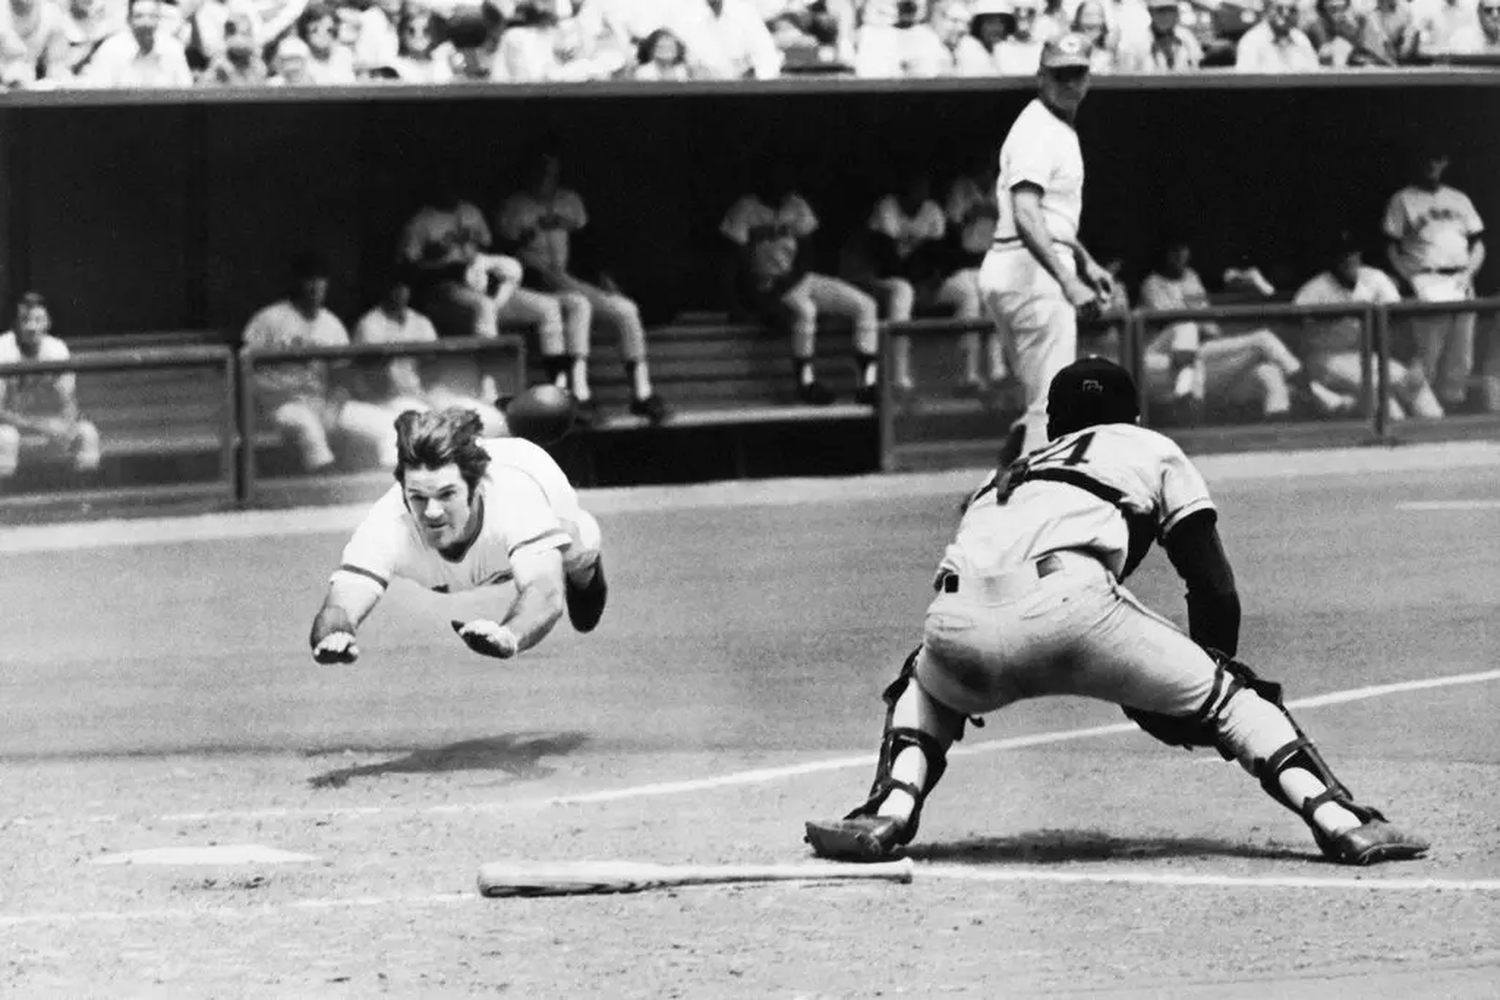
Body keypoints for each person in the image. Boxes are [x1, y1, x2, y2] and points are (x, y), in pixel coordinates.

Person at [803, 356, 1431, 868]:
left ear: (1055, 422)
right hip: (1072, 609)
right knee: (1237, 700)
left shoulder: (1012, 471)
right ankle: (1341, 820)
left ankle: (888, 809)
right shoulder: (1148, 447)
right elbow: (1213, 586)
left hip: (954, 622)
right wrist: (1203, 683)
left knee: (922, 681)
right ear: (1131, 414)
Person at [308, 406, 608, 667]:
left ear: (476, 488)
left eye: (447, 494)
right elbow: (341, 602)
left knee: (579, 551)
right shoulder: (387, 523)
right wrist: (336, 632)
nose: (432, 512)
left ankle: (587, 571)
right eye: (418, 497)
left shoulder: (517, 500)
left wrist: (510, 633)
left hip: (533, 475)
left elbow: (545, 593)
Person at [980, 31, 1116, 468]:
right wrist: (1069, 279)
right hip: (1031, 272)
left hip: (1020, 265)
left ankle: (996, 488)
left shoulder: (1051, 125)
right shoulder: (1040, 129)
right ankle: (1019, 505)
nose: (1069, 82)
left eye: (1076, 73)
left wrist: (1084, 259)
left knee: (1039, 397)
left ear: (1088, 77)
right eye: (1060, 74)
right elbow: (1025, 212)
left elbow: (1049, 214)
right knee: (1051, 403)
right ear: (1041, 76)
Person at [1293, 232, 1444, 422]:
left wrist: (1416, 363)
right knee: (1384, 398)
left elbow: (1400, 322)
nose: (1350, 261)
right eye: (1343, 258)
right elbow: (1295, 339)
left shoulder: (1374, 279)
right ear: (1332, 261)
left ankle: (1437, 439)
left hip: (1367, 357)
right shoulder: (1311, 292)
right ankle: (1391, 439)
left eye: (1353, 255)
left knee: (1415, 386)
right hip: (1325, 360)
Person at [1382, 142, 1486, 413]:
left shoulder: (1458, 198)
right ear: (1417, 161)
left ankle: (1452, 406)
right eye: (1426, 158)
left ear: (1445, 163)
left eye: (1437, 158)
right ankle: (1421, 409)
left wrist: (1469, 272)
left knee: (1462, 352)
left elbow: (1478, 242)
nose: (1431, 164)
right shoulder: (1402, 199)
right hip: (1427, 278)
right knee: (1428, 350)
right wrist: (1408, 278)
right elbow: (1390, 246)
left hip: (1461, 278)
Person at [0, 292, 101, 482]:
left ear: (48, 323)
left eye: (38, 320)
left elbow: (68, 402)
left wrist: (66, 425)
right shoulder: (2, 349)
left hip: (48, 429)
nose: (31, 327)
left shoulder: (57, 350)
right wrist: (41, 427)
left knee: (87, 433)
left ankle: (84, 501)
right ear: (15, 324)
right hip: (13, 431)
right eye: (25, 320)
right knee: (6, 437)